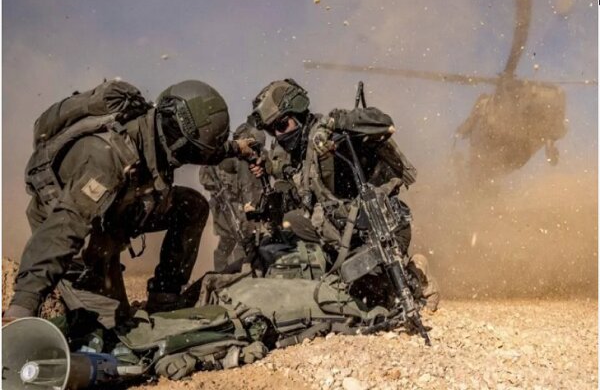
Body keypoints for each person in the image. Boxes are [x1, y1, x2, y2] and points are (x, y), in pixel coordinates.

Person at [5, 79, 256, 320]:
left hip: (113, 213)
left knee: (191, 205)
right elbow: (63, 229)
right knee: (111, 329)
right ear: (178, 139)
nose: (193, 156)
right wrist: (24, 304)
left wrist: (236, 148)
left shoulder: (160, 128)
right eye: (191, 150)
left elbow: (199, 151)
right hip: (76, 231)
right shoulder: (108, 160)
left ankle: (164, 296)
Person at [249, 78, 439, 311]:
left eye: (281, 126)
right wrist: (266, 168)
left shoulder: (331, 134)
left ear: (298, 114)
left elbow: (383, 123)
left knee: (377, 301)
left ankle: (418, 275)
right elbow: (287, 176)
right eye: (272, 131)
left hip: (378, 231)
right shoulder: (298, 155)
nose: (278, 135)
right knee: (292, 230)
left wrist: (336, 121)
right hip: (341, 238)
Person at [199, 123, 266, 273]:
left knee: (246, 241)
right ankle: (222, 273)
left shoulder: (253, 160)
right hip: (225, 206)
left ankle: (242, 271)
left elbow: (252, 186)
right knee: (227, 242)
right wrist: (220, 191)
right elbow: (204, 178)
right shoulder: (224, 157)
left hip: (244, 206)